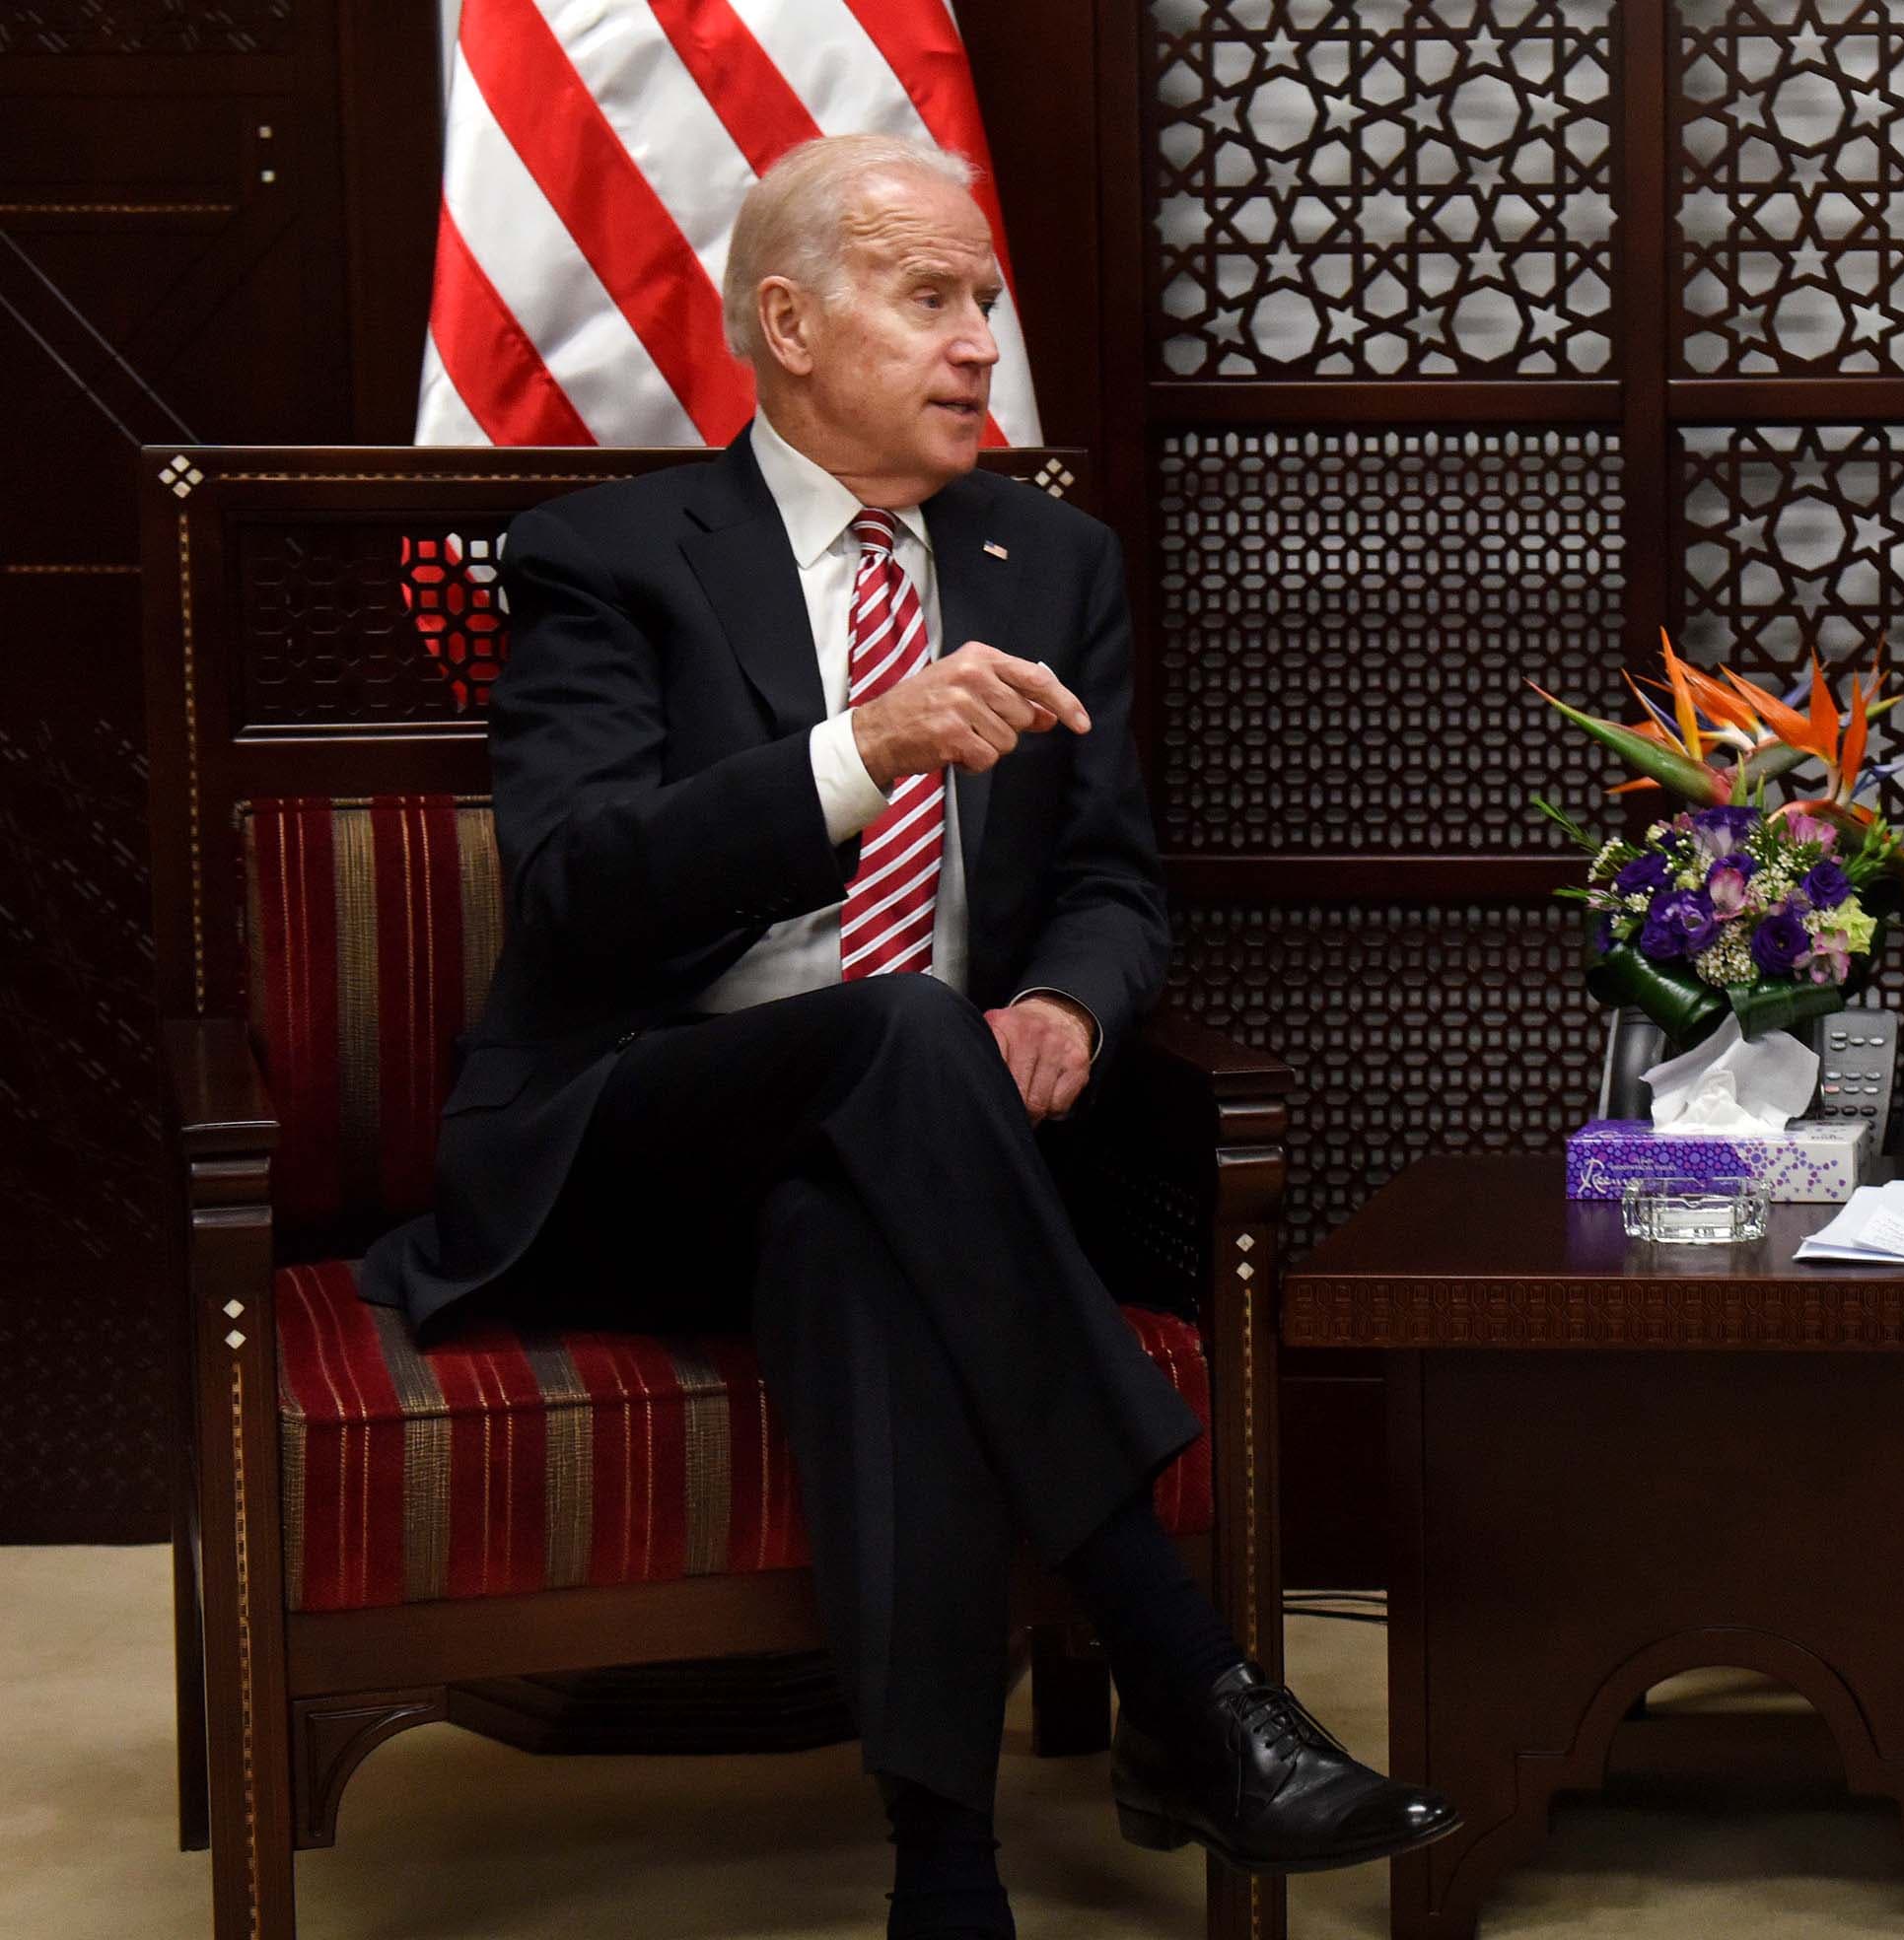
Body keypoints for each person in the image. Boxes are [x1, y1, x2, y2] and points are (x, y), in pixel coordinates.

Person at [362, 133, 1451, 1938]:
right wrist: (861, 749)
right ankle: (1188, 1676)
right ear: (788, 325)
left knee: (857, 1208)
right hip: (635, 1138)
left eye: (985, 303)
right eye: (929, 297)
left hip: (908, 1158)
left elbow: (1110, 882)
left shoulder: (1051, 561)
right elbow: (571, 894)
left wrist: (1064, 1002)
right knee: (893, 1038)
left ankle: (948, 1878)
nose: (977, 345)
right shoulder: (604, 559)